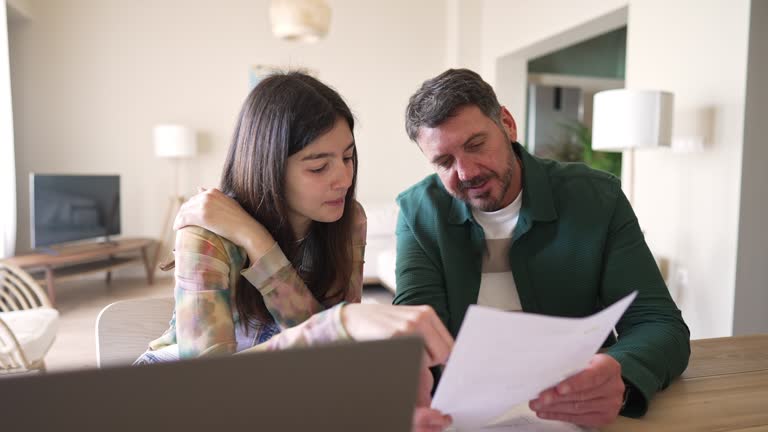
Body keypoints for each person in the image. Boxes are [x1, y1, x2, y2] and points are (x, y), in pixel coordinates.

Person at [135, 72, 453, 431]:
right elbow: (211, 388)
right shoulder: (207, 234)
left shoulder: (349, 222)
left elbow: (333, 358)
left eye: (348, 158)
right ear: (268, 166)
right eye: (318, 166)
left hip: (283, 390)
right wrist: (257, 244)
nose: (344, 179)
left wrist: (257, 242)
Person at [393, 68, 690, 428]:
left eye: (475, 145)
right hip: (462, 412)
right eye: (444, 161)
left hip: (573, 405)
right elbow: (416, 334)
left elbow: (659, 323)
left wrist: (621, 375)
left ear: (507, 124)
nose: (466, 172)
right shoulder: (417, 212)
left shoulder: (596, 198)